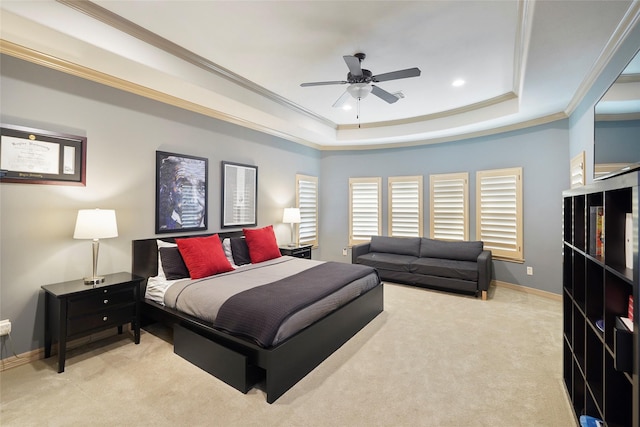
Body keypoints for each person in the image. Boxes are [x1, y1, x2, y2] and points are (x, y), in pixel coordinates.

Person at [158, 155, 206, 230]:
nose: (194, 199)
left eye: (202, 188)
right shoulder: (164, 228)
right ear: (169, 188)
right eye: (182, 186)